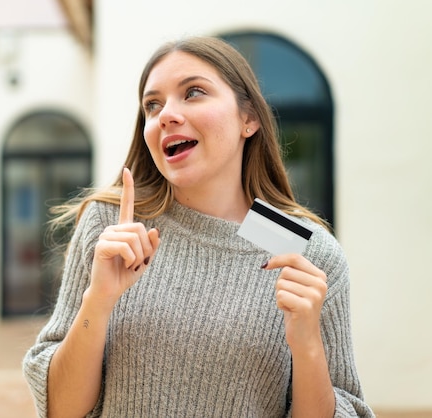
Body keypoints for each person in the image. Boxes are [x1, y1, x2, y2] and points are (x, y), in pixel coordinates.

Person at [23, 36, 374, 417]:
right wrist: (99, 299)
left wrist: (307, 347)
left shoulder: (308, 252)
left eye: (193, 93)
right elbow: (60, 409)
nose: (166, 115)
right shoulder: (112, 225)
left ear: (249, 119)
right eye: (152, 105)